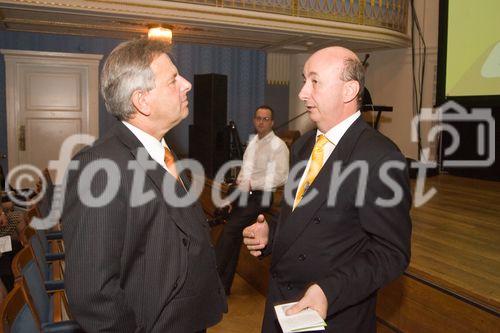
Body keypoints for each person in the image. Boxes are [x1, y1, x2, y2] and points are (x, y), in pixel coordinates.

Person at [61, 39, 226, 333]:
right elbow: (92, 292)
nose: (186, 84)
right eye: (173, 79)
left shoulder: (161, 150)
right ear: (142, 100)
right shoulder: (100, 168)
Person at [243, 46, 412, 332]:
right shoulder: (303, 146)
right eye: (303, 80)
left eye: (314, 81)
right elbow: (300, 216)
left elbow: (390, 251)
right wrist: (272, 233)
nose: (302, 93)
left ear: (349, 91)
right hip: (281, 306)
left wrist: (328, 290)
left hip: (334, 315)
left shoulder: (380, 157)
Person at [215, 105, 289, 295]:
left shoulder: (278, 145)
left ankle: (213, 286)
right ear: (254, 120)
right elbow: (244, 172)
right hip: (244, 194)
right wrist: (233, 196)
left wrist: (252, 183)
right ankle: (222, 289)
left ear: (272, 122)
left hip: (261, 196)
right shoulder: (253, 142)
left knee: (229, 232)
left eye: (266, 119)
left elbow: (282, 176)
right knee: (231, 233)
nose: (261, 122)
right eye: (258, 118)